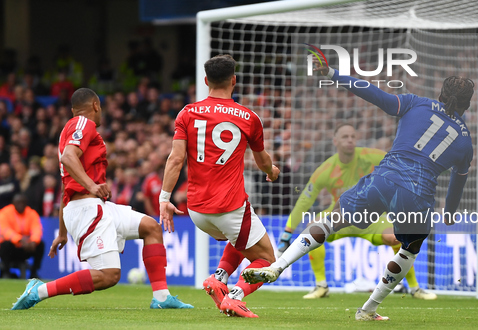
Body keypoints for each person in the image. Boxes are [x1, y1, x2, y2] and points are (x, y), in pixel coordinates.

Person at [243, 64, 474, 321]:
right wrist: (450, 214)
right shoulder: (465, 143)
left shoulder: (416, 103)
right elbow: (457, 184)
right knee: (408, 250)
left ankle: (277, 267)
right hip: (418, 195)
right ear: (467, 105)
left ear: (441, 94)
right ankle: (368, 309)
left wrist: (333, 74)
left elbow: (372, 93)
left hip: (383, 179)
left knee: (331, 221)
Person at [11, 88, 192, 310]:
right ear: (96, 105)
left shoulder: (70, 132)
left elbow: (64, 186)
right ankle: (39, 290)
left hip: (93, 206)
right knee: (109, 275)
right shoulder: (82, 124)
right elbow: (69, 158)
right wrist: (91, 185)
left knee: (150, 228)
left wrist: (62, 232)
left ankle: (162, 298)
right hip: (87, 207)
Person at [159, 54, 280, 318]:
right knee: (269, 260)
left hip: (197, 211)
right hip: (230, 206)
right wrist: (271, 170)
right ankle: (235, 296)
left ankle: (219, 277)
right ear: (234, 80)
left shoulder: (187, 113)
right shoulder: (249, 117)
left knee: (239, 239)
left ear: (205, 81)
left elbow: (176, 159)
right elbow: (262, 161)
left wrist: (164, 199)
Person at [278, 123, 436, 300]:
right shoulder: (326, 169)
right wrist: (287, 232)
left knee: (397, 237)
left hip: (371, 216)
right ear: (335, 141)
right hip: (340, 217)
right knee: (312, 226)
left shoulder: (369, 156)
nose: (350, 140)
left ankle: (414, 288)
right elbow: (304, 201)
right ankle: (321, 286)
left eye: (353, 136)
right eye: (345, 137)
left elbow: (397, 163)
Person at [0, 194, 44, 278]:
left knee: (40, 245)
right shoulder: (5, 212)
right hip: (12, 248)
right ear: (13, 203)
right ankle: (6, 272)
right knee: (4, 245)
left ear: (26, 203)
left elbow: (37, 229)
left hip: (26, 247)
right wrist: (20, 240)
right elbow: (5, 231)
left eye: (23, 203)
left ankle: (33, 273)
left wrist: (33, 241)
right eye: (18, 203)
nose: (21, 205)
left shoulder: (31, 213)